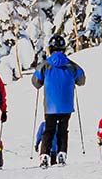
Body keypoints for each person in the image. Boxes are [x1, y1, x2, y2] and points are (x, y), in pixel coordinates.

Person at [31, 34, 86, 168]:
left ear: (50, 48)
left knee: (48, 130)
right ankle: (62, 154)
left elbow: (36, 82)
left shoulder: (45, 65)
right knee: (63, 130)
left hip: (50, 106)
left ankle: (44, 155)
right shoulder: (71, 65)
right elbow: (82, 80)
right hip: (66, 105)